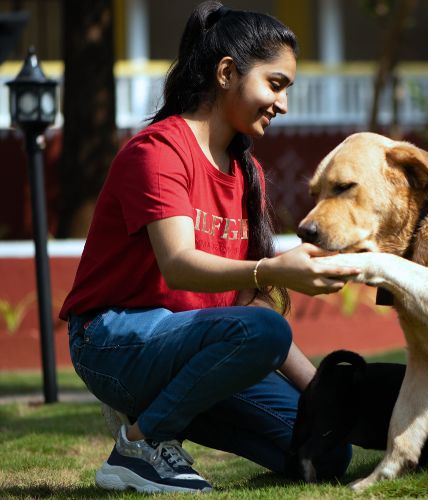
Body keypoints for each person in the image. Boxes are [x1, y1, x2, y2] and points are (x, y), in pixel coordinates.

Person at [59, 1, 358, 493]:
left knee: (324, 449)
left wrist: (323, 394)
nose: (282, 104)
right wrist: (275, 271)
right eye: (275, 84)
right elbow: (178, 266)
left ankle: (163, 416)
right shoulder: (157, 151)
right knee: (263, 325)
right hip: (111, 343)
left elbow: (247, 313)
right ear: (226, 73)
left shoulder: (248, 173)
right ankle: (140, 445)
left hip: (199, 352)